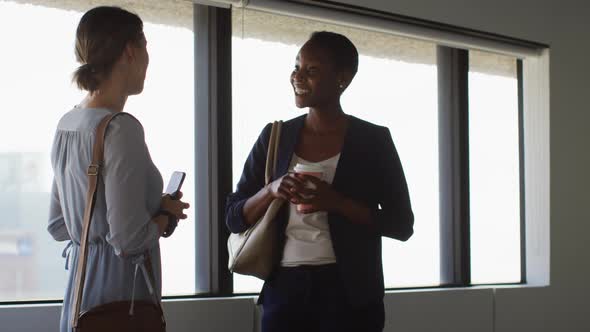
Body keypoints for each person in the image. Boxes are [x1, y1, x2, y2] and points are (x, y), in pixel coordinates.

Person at [226, 31, 414, 332]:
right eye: (296, 66)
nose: (298, 76)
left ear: (343, 78)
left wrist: (335, 202)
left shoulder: (373, 140)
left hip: (349, 295)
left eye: (311, 70)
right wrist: (272, 190)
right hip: (284, 292)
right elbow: (234, 218)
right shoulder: (275, 136)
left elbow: (402, 224)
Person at [47, 7, 189, 332]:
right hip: (120, 297)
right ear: (130, 51)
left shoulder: (67, 124)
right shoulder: (120, 128)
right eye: (146, 46)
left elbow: (58, 226)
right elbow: (128, 241)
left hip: (79, 294)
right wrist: (164, 216)